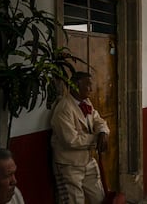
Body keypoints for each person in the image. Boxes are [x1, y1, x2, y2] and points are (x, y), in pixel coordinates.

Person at [51, 71, 110, 204]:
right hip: (69, 165)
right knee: (74, 201)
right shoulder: (64, 108)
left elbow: (98, 120)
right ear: (76, 85)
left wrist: (103, 132)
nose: (91, 89)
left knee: (99, 198)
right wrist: (96, 138)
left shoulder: (86, 102)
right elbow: (70, 140)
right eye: (88, 85)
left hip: (88, 160)